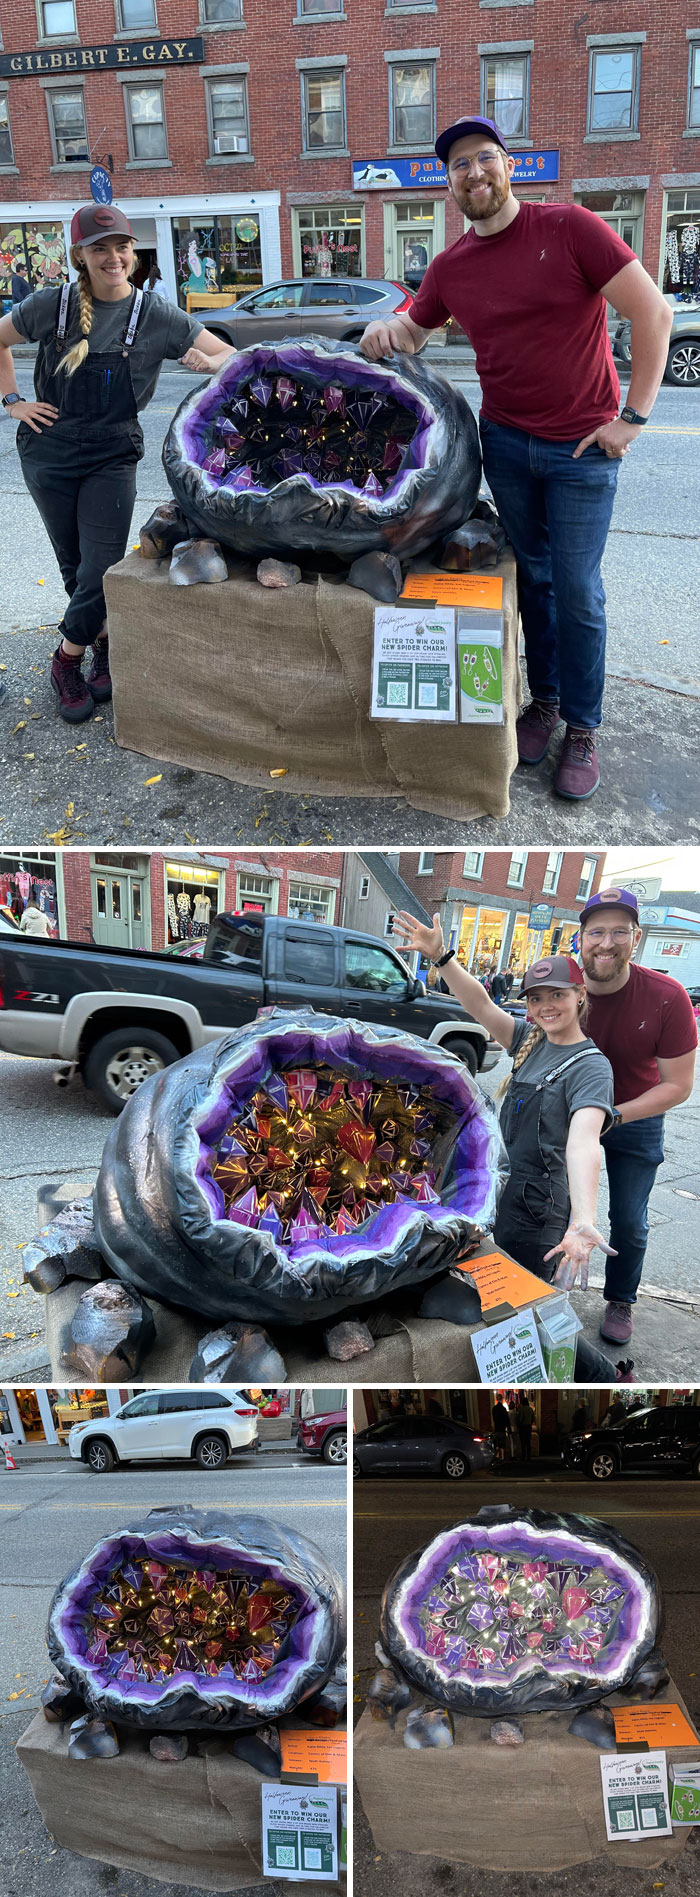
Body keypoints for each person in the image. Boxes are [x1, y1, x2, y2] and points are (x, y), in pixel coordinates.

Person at [360, 114, 673, 802]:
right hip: (505, 441)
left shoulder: (569, 230)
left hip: (583, 448)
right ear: (449, 186)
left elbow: (653, 314)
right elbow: (414, 329)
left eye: (484, 159)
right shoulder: (451, 267)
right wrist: (389, 327)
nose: (473, 173)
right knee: (533, 578)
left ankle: (583, 729)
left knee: (579, 591)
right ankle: (547, 701)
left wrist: (634, 418)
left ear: (510, 166)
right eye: (459, 167)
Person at [0, 202, 234, 726]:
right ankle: (101, 637)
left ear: (134, 251)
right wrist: (12, 401)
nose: (113, 257)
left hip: (111, 454)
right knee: (73, 563)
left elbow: (229, 357)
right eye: (99, 248)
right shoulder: (50, 305)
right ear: (80, 255)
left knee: (101, 564)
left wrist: (209, 360)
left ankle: (66, 659)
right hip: (47, 449)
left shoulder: (157, 314)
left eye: (121, 246)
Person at [391, 909, 631, 1385]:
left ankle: (603, 1378)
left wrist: (583, 1221)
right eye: (536, 998)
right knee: (511, 1297)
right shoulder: (528, 1041)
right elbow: (479, 1004)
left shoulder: (591, 1067)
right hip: (501, 1191)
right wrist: (440, 956)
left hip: (541, 1210)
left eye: (557, 996)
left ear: (580, 996)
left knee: (534, 1307)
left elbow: (584, 1143)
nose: (546, 1006)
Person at [578, 886, 698, 1345]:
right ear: (581, 938)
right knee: (556, 1208)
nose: (607, 942)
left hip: (636, 1115)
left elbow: (678, 1086)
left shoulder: (668, 996)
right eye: (597, 932)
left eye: (619, 932)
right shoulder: (564, 987)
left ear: (638, 937)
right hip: (573, 1116)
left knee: (629, 1218)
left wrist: (614, 1116)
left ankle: (621, 1298)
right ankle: (548, 1287)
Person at [517, 1397, 535, 1461]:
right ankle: (529, 1456)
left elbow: (520, 1419)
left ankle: (523, 1456)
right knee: (528, 1442)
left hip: (523, 1427)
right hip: (528, 1426)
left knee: (523, 1442)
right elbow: (533, 1418)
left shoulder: (522, 1409)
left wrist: (519, 1424)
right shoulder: (530, 1409)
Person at [492, 1397, 509, 1461]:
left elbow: (494, 1418)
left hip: (497, 1428)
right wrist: (508, 1428)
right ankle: (502, 1457)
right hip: (502, 1428)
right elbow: (506, 1420)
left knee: (497, 1443)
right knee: (502, 1443)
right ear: (501, 1399)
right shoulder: (503, 1409)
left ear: (496, 1399)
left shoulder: (494, 1409)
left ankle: (497, 1455)